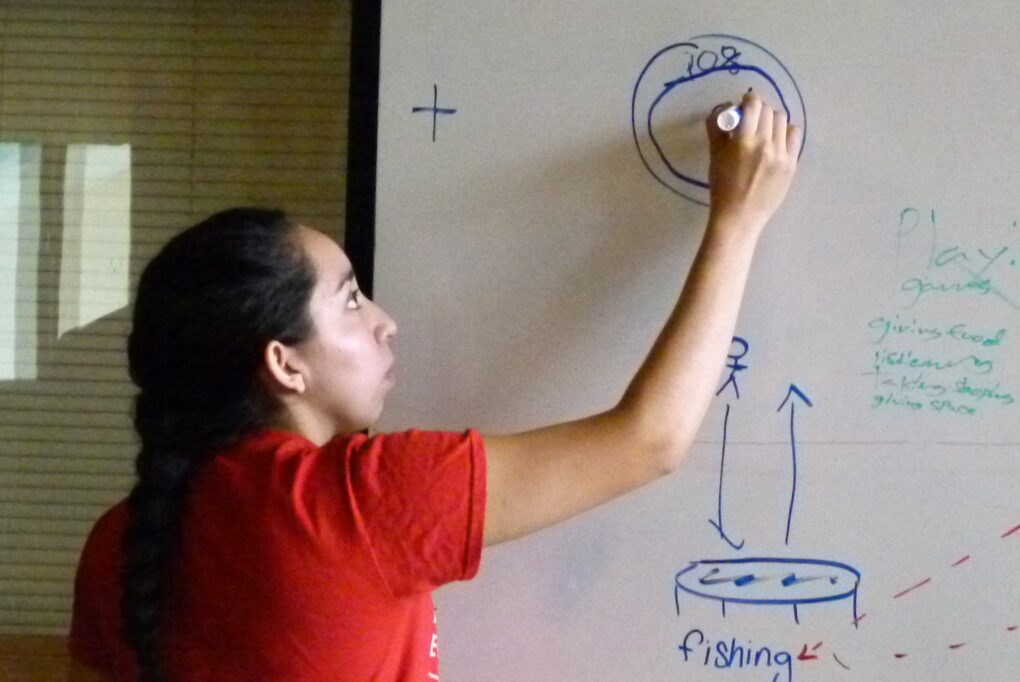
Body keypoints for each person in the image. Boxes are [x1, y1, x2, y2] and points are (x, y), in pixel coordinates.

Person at [68, 92, 801, 681]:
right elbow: (651, 440)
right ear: (284, 364)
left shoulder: (118, 543)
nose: (385, 322)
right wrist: (737, 220)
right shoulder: (360, 502)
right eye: (350, 300)